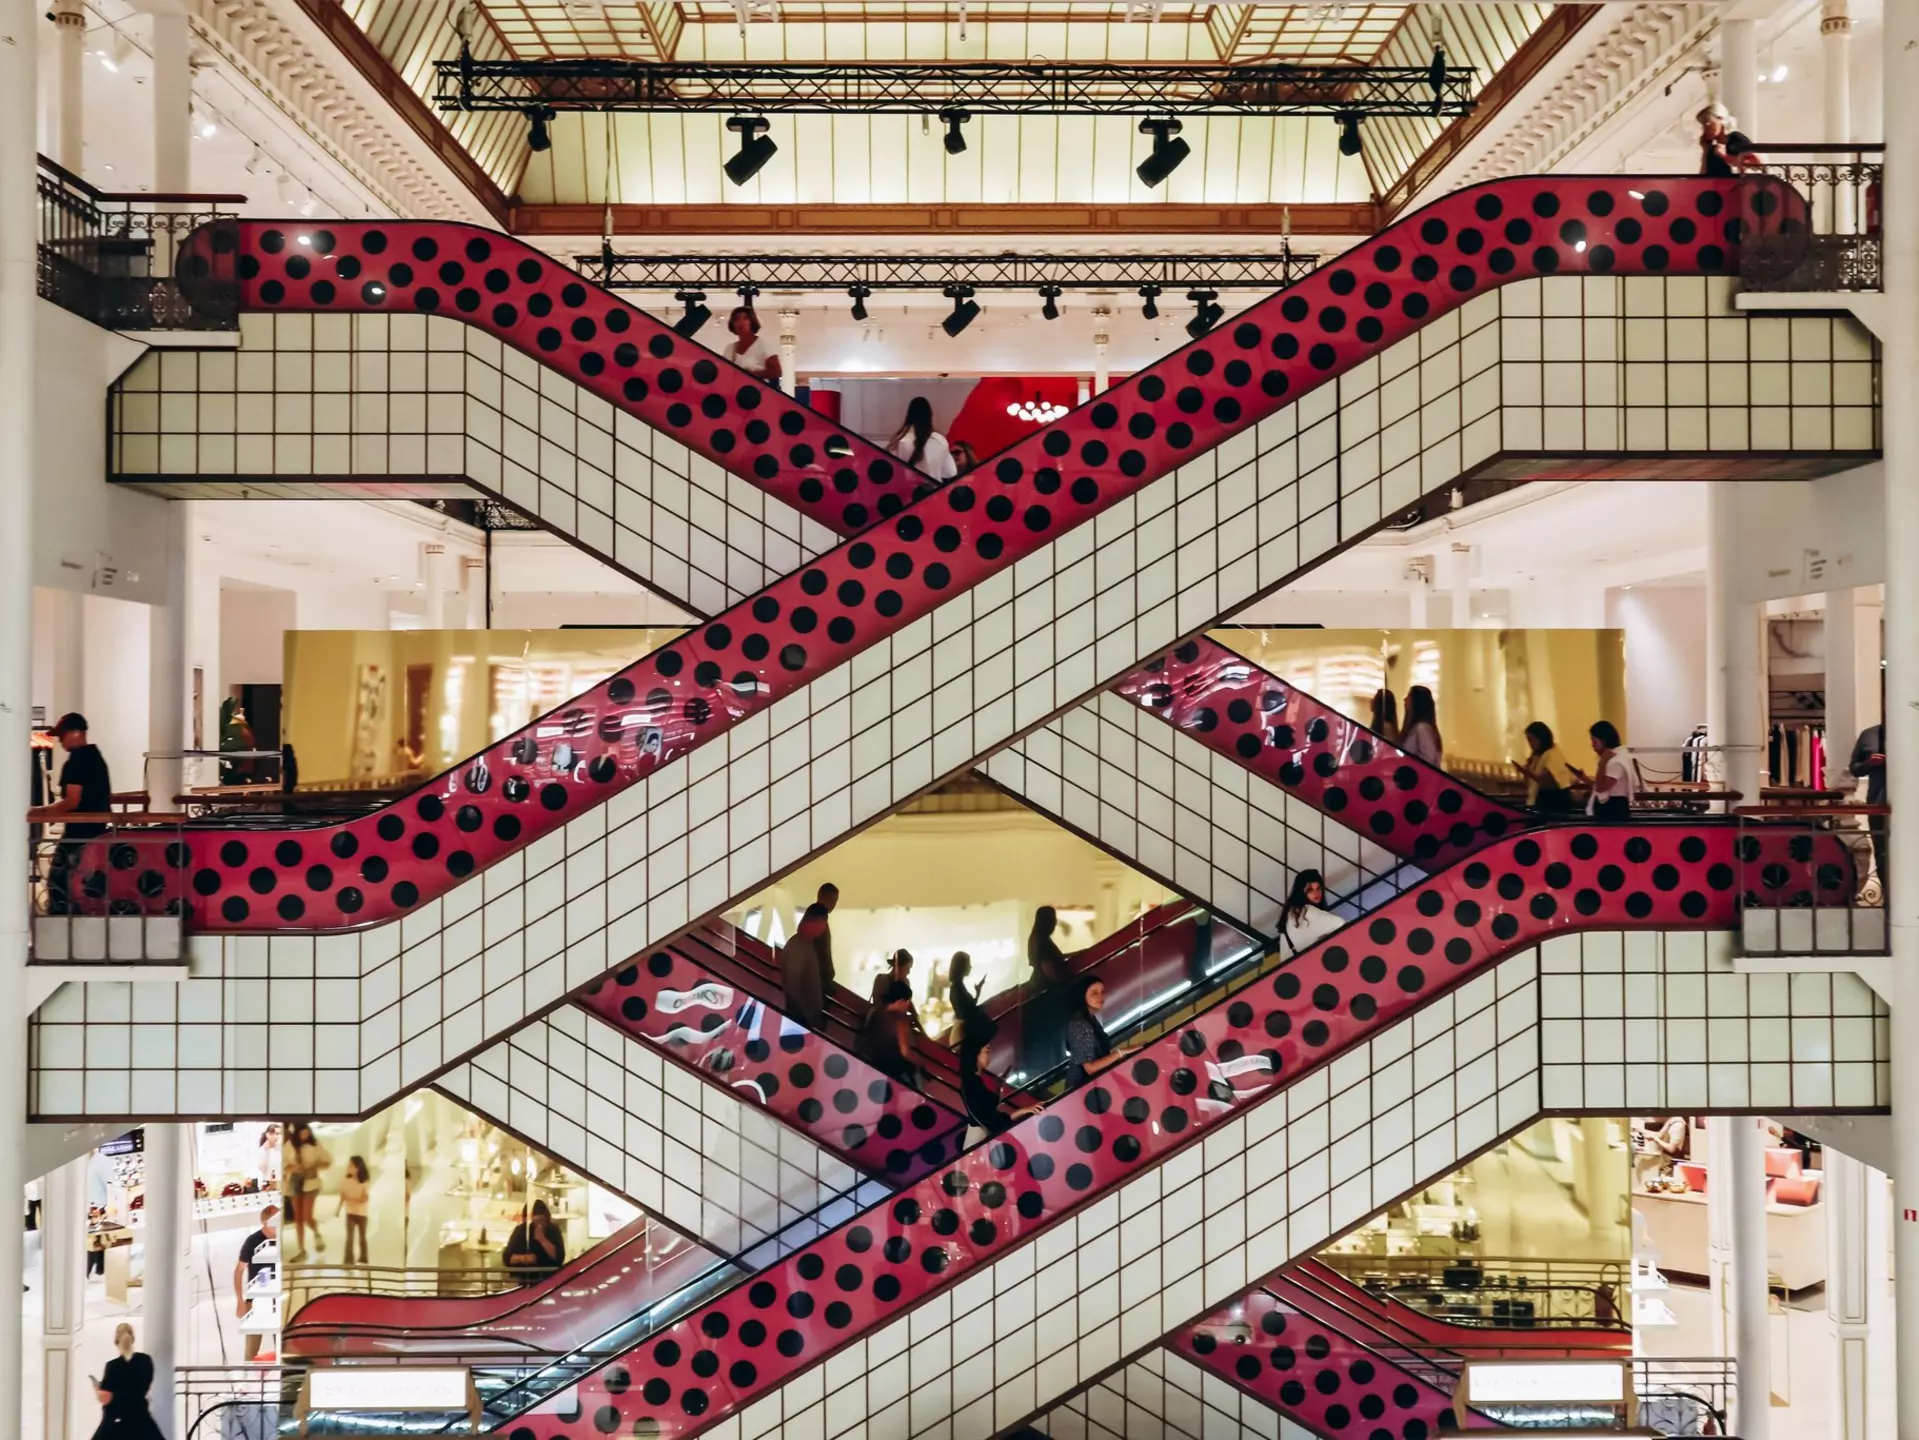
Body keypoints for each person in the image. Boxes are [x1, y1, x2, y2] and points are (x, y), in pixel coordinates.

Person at [38, 713, 112, 915]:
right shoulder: (96, 758)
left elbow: (72, 800)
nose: (60, 741)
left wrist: (43, 812)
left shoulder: (76, 762)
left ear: (77, 733)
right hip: (97, 829)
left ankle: (62, 919)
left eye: (62, 735)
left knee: (59, 880)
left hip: (79, 830)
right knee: (84, 878)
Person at [91, 1322, 163, 1440]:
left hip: (116, 1422)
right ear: (133, 1339)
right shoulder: (145, 1361)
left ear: (116, 1341)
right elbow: (142, 1389)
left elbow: (106, 1398)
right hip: (141, 1420)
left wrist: (98, 1391)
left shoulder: (112, 1366)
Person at [1062, 976, 1128, 1089]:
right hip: (1082, 1090)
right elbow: (1090, 1068)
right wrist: (1120, 1053)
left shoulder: (1090, 1019)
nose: (1100, 996)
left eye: (1102, 992)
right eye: (1094, 993)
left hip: (1093, 1087)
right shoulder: (1080, 1023)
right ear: (1082, 996)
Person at [856, 981, 923, 1091]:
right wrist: (920, 1062)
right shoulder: (900, 1020)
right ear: (901, 1001)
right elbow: (905, 1052)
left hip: (874, 1065)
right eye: (908, 1001)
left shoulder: (875, 1013)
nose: (908, 1005)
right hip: (895, 1070)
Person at [778, 904, 834, 1029]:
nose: (824, 927)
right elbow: (792, 987)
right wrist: (805, 1019)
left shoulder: (806, 945)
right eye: (823, 923)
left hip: (810, 1018)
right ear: (815, 922)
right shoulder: (797, 947)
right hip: (802, 1021)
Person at [234, 1205, 278, 1361]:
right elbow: (239, 1270)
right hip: (257, 1301)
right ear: (265, 1222)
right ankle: (249, 1378)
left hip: (279, 1300)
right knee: (251, 1348)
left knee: (281, 1344)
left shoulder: (283, 1240)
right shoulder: (252, 1242)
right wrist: (240, 1301)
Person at [283, 1122, 332, 1257]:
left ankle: (317, 1233)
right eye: (302, 1132)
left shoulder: (315, 1145)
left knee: (306, 1215)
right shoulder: (289, 1146)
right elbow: (283, 1164)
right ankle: (301, 1250)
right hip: (294, 1181)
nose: (305, 1135)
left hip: (310, 1182)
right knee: (298, 1218)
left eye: (307, 1132)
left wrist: (313, 1165)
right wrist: (293, 1168)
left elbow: (327, 1161)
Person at [1850, 722, 1887, 890]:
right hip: (1878, 803)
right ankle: (1887, 896)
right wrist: (1869, 764)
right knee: (1882, 851)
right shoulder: (1869, 735)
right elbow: (1854, 768)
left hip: (1910, 805)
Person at [890, 396, 959, 483]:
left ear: (909, 415)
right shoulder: (940, 440)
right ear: (930, 415)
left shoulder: (900, 440)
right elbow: (951, 472)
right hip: (934, 493)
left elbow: (891, 471)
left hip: (907, 493)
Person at [1517, 721, 1581, 812]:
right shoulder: (1537, 756)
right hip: (1538, 801)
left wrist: (1530, 774)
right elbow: (1529, 784)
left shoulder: (1552, 754)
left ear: (1540, 738)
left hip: (1553, 802)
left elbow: (1551, 783)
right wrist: (1527, 770)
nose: (1529, 743)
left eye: (1531, 739)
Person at [1279, 869, 1344, 954]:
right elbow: (1341, 923)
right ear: (1301, 892)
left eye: (1318, 888)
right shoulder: (1307, 911)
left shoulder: (1291, 913)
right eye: (1310, 890)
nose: (1316, 893)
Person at [503, 1198, 565, 1281]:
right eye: (535, 1219)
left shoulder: (553, 1230)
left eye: (541, 1219)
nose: (538, 1223)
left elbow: (559, 1258)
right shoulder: (521, 1230)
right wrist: (524, 1258)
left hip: (548, 1278)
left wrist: (542, 1239)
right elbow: (507, 1257)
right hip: (523, 1278)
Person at [1587, 720, 1637, 819]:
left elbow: (1601, 787)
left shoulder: (1616, 761)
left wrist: (1602, 763)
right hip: (1612, 806)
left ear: (1603, 740)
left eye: (1594, 741)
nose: (1592, 745)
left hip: (1613, 807)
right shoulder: (1616, 757)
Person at [1697, 103, 1762, 177]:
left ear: (1720, 119)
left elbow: (1755, 164)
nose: (1705, 129)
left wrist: (1724, 156)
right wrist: (1705, 151)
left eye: (1708, 123)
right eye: (1703, 125)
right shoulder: (1713, 149)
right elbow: (1703, 177)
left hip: (1739, 186)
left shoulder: (1736, 139)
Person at [723, 305, 781, 385]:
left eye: (745, 318)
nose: (741, 322)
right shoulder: (730, 348)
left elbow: (777, 372)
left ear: (752, 322)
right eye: (736, 319)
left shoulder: (762, 344)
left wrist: (752, 374)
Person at [946, 951, 990, 1048]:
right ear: (962, 966)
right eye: (968, 964)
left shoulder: (959, 987)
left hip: (963, 1033)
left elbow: (968, 1009)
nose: (970, 967)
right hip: (961, 1036)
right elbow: (966, 1013)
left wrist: (977, 993)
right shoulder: (957, 989)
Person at [337, 1155, 371, 1265]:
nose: (348, 1167)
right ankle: (348, 1260)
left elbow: (364, 1198)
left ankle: (364, 1257)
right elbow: (342, 1196)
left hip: (362, 1214)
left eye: (351, 1165)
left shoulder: (365, 1182)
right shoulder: (345, 1182)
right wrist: (338, 1209)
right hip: (350, 1213)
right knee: (349, 1238)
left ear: (358, 1167)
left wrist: (351, 1199)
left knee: (362, 1238)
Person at [1399, 686, 1443, 767]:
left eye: (1409, 696)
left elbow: (1427, 761)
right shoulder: (1419, 728)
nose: (1405, 699)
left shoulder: (1422, 728)